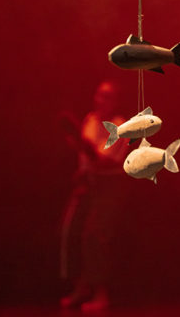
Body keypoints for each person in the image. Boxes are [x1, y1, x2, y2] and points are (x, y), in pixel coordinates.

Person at [59, 80, 130, 311]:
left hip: (109, 186)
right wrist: (80, 167)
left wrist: (81, 143)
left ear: (116, 101)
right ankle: (81, 287)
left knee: (96, 237)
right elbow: (86, 157)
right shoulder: (90, 120)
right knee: (73, 232)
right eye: (99, 95)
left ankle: (101, 294)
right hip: (88, 184)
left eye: (107, 96)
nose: (101, 100)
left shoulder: (120, 126)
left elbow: (103, 160)